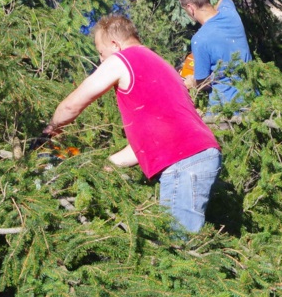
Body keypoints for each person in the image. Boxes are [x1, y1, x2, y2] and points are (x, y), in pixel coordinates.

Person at [45, 14, 221, 232]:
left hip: (184, 161)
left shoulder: (123, 59)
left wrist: (49, 131)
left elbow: (72, 105)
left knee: (178, 249)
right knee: (175, 244)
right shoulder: (159, 64)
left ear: (114, 45)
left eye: (101, 53)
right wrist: (104, 166)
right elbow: (147, 145)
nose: (101, 61)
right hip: (197, 155)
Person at [178, 0, 253, 111]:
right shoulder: (230, 13)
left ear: (190, 8)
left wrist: (189, 82)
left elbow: (203, 83)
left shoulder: (199, 40)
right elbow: (224, 0)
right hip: (250, 99)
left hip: (225, 109)